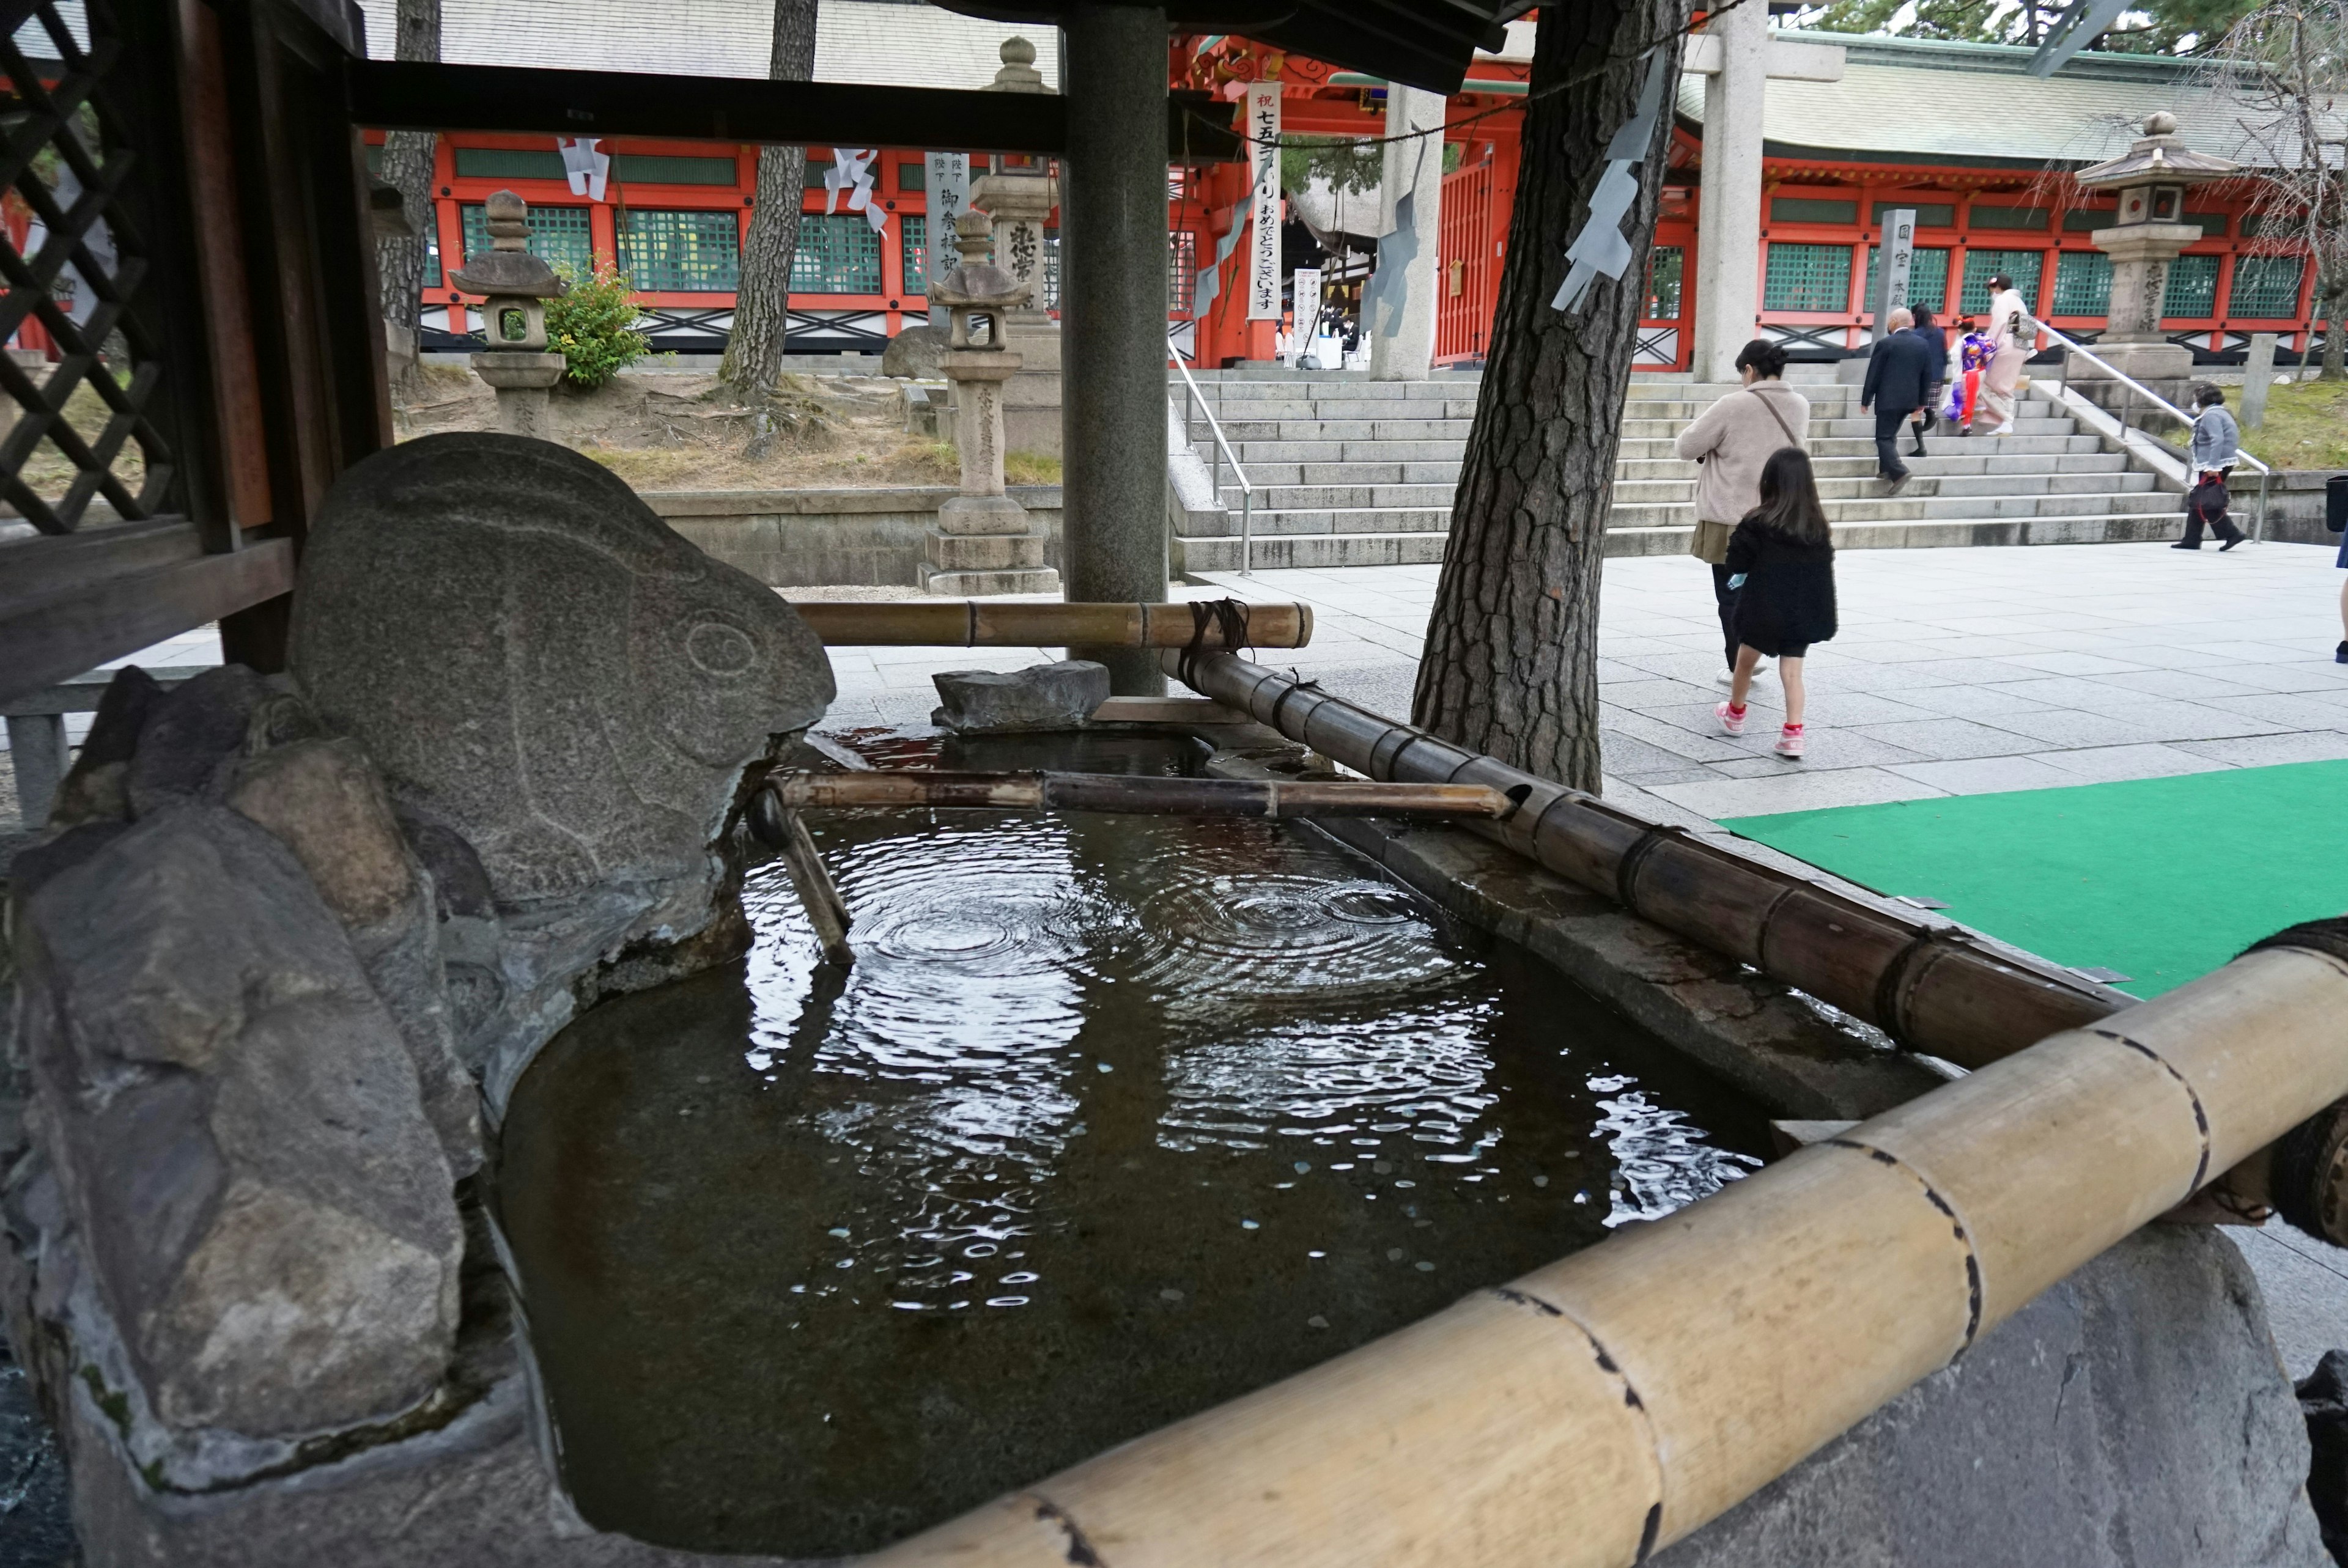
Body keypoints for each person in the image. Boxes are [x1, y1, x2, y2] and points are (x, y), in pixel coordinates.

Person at [1673, 338, 1811, 686]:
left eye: (1741, 373)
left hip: (1732, 519)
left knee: (1732, 595)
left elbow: (1687, 447)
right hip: (1779, 517)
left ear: (1749, 370)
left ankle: (1740, 666)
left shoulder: (1732, 404)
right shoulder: (1800, 405)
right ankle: (1759, 651)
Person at [1715, 447, 1839, 760]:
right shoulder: (1817, 526)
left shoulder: (1758, 521)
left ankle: (1735, 715)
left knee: (1744, 664)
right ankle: (1793, 734)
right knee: (1793, 674)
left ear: (1770, 480)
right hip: (1801, 614)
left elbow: (1736, 563)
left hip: (1763, 611)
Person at [1859, 307, 1940, 495]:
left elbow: (1874, 375)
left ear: (1894, 322)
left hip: (1889, 399)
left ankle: (1899, 471)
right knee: (1891, 434)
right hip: (1911, 400)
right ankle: (1886, 469)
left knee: (1884, 437)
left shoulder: (1886, 344)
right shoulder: (1922, 344)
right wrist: (1922, 401)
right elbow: (1927, 374)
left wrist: (1866, 400)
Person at [2174, 381, 2246, 551]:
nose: (2194, 401)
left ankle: (2232, 533)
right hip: (2216, 463)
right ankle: (2191, 539)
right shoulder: (2221, 413)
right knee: (2199, 500)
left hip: (2214, 465)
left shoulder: (2211, 416)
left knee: (2206, 502)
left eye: (2195, 397)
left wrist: (2213, 465)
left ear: (2202, 400)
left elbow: (2217, 439)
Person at [1974, 274, 2031, 436]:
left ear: (1997, 287)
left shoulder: (2002, 300)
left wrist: (1987, 346)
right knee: (2005, 386)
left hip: (2006, 344)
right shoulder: (2019, 301)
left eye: (1991, 289)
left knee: (1985, 383)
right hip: (2019, 346)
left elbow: (2000, 323)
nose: (1992, 292)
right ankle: (2003, 421)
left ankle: (2007, 418)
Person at [1906, 306, 1948, 457]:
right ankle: (1930, 413)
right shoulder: (1941, 332)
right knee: (1922, 405)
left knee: (1915, 410)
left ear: (1916, 316)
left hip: (1921, 377)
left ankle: (1921, 447)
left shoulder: (1916, 335)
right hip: (1937, 375)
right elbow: (1944, 355)